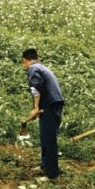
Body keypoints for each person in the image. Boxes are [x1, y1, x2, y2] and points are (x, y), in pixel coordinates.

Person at [23, 48, 65, 180]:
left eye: (23, 63)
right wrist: (38, 109)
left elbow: (36, 88)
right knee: (45, 136)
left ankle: (52, 174)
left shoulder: (33, 68)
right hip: (52, 103)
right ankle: (45, 166)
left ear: (25, 60)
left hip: (50, 105)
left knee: (49, 138)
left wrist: (36, 107)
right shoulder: (41, 67)